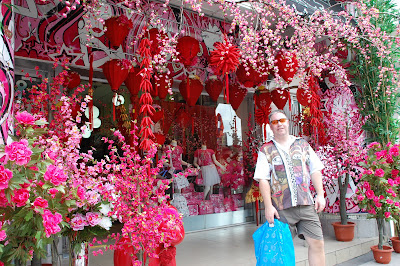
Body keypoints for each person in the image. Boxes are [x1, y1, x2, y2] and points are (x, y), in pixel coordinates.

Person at [253, 109, 326, 266]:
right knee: (280, 250)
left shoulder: (302, 144)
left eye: (282, 120)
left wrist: (320, 194)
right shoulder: (266, 149)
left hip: (306, 204)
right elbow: (263, 179)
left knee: (317, 244)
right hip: (281, 208)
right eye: (275, 122)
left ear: (287, 122)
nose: (279, 124)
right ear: (270, 127)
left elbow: (315, 170)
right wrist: (268, 207)